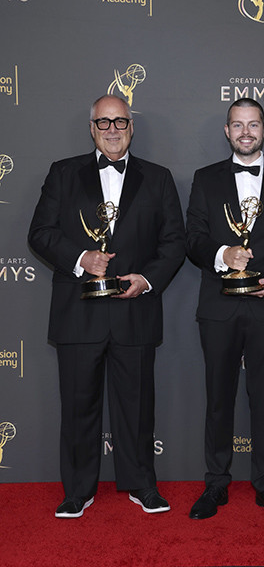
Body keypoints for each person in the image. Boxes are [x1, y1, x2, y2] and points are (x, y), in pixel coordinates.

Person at [28, 95, 185, 518]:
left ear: (132, 126)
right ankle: (77, 491)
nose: (112, 129)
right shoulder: (63, 174)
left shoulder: (158, 178)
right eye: (104, 122)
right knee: (78, 407)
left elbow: (175, 242)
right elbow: (40, 233)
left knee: (137, 408)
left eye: (120, 121)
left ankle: (141, 486)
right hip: (79, 313)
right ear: (92, 128)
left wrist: (147, 279)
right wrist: (81, 259)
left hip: (135, 311)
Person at [186, 98, 264, 521]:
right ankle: (216, 484)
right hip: (218, 305)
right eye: (237, 125)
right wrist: (224, 254)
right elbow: (194, 238)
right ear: (226, 131)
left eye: (253, 124)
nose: (245, 132)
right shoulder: (205, 179)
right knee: (218, 399)